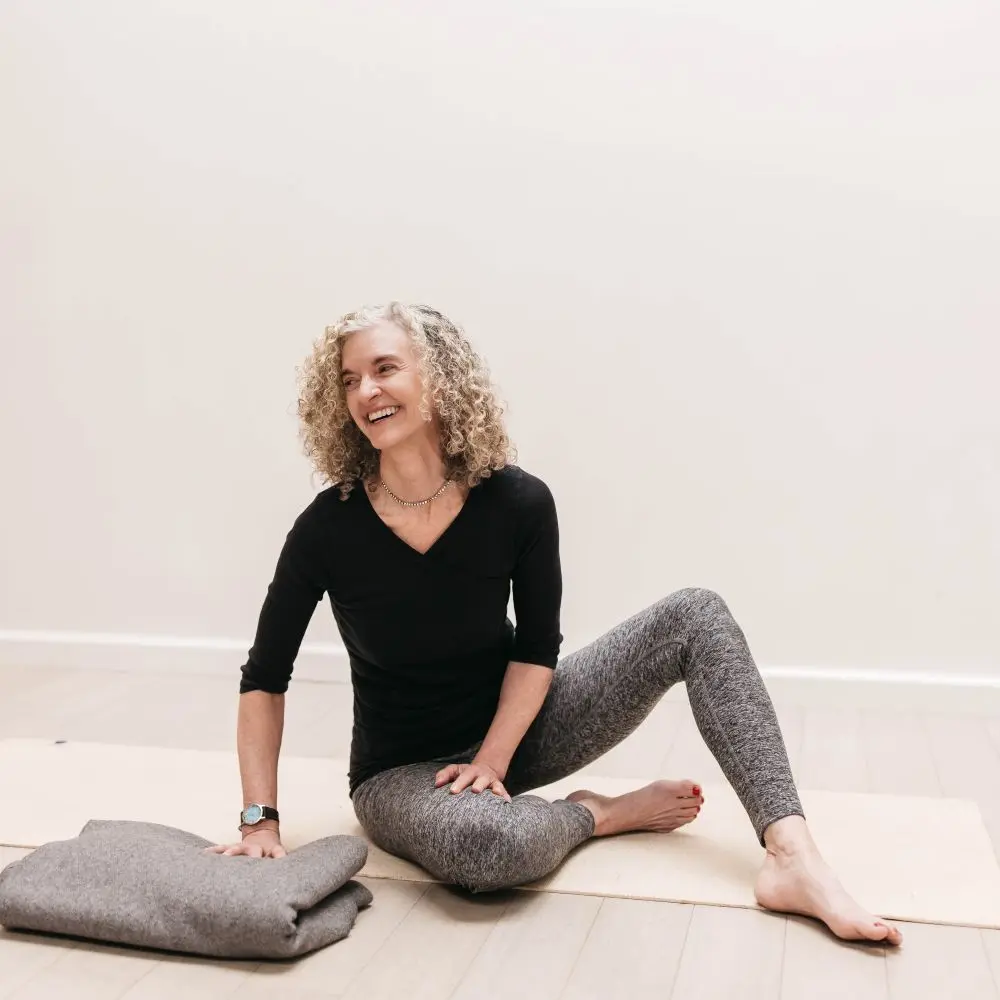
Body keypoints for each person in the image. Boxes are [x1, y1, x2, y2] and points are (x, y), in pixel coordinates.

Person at [207, 302, 902, 946]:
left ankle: (793, 856)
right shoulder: (328, 526)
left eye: (384, 368)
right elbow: (264, 676)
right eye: (350, 379)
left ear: (439, 379)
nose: (365, 392)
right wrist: (259, 819)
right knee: (486, 853)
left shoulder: (518, 501)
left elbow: (538, 648)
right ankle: (597, 814)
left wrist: (493, 761)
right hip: (402, 774)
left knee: (696, 613)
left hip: (519, 731)